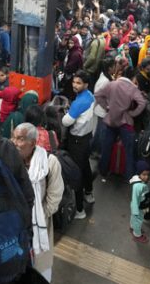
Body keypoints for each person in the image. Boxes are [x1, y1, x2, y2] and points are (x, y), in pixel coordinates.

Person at [11, 123, 63, 282]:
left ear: (32, 143)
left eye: (19, 139)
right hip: (15, 227)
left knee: (40, 271)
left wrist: (38, 215)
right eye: (13, 137)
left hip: (40, 225)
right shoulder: (11, 161)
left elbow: (54, 197)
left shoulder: (50, 162)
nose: (14, 142)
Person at [95, 66, 147, 179]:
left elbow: (98, 95)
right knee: (129, 151)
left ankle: (103, 170)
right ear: (133, 77)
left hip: (111, 120)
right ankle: (129, 176)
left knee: (106, 147)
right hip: (125, 122)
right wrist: (132, 113)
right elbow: (142, 103)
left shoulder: (111, 84)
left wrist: (106, 107)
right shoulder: (133, 88)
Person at [61, 71, 95, 219]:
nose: (74, 85)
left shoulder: (79, 102)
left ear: (86, 84)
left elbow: (65, 122)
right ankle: (89, 194)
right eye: (74, 82)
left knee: (76, 173)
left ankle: (80, 210)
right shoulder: (90, 96)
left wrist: (67, 112)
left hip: (77, 141)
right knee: (85, 166)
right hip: (87, 139)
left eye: (78, 83)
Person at [129, 161, 150, 243]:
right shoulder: (137, 186)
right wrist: (135, 211)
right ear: (139, 174)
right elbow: (135, 199)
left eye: (148, 174)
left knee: (134, 219)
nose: (147, 177)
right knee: (138, 221)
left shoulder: (142, 181)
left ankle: (132, 227)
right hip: (138, 207)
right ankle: (137, 235)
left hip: (139, 205)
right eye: (144, 175)